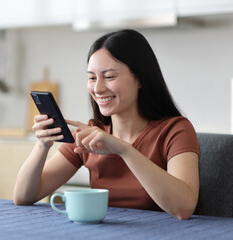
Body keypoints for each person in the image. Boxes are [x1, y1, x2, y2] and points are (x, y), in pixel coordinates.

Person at [13, 29, 200, 220]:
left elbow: (183, 207)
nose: (98, 88)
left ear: (140, 79)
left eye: (109, 77)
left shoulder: (176, 130)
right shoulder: (91, 134)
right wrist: (42, 145)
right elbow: (23, 196)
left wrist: (123, 150)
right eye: (92, 78)